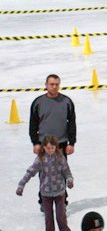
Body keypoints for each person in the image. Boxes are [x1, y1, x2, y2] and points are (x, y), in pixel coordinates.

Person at [16, 135, 73, 231]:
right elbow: (30, 171)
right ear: (44, 147)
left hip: (59, 192)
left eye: (52, 148)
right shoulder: (40, 158)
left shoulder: (60, 157)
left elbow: (66, 171)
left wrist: (69, 180)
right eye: (48, 148)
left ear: (55, 147)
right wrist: (21, 184)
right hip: (46, 193)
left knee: (60, 216)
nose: (50, 150)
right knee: (48, 218)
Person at [30, 74, 76, 212]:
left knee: (62, 174)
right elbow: (33, 124)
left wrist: (71, 143)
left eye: (56, 84)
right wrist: (35, 143)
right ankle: (44, 201)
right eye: (51, 84)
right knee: (44, 174)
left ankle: (62, 202)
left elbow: (72, 123)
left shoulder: (67, 101)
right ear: (46, 85)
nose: (54, 87)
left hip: (61, 145)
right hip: (44, 146)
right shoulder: (38, 102)